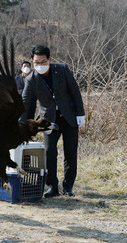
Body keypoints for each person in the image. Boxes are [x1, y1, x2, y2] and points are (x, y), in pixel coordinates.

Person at [20, 45, 85, 198]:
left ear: (49, 59)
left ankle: (68, 186)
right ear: (32, 61)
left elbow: (74, 90)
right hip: (48, 121)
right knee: (49, 152)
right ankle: (52, 186)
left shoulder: (62, 69)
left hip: (69, 116)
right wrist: (20, 124)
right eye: (36, 63)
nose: (40, 65)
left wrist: (80, 113)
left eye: (43, 62)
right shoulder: (31, 79)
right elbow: (24, 102)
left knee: (70, 153)